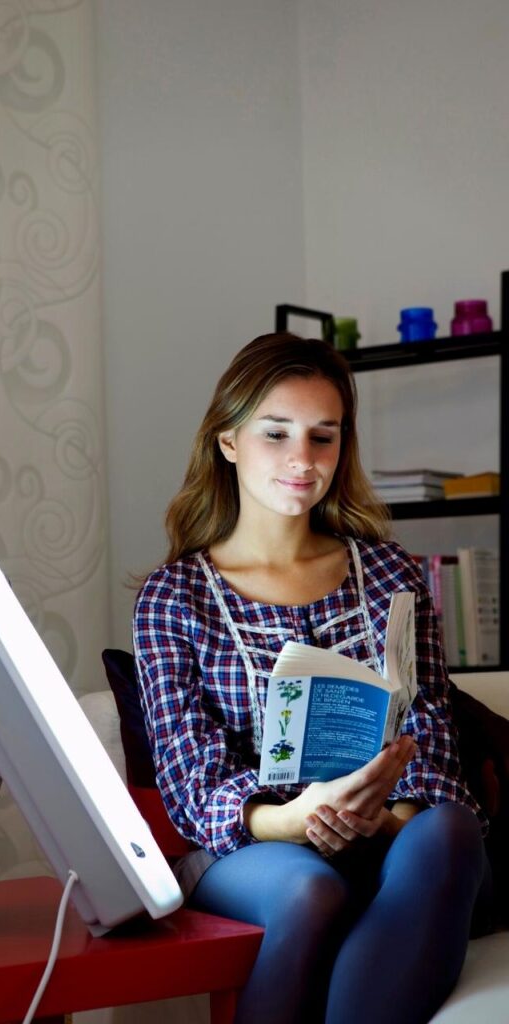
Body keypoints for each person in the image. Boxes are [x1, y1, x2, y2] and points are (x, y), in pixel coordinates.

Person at [133, 332, 492, 1024]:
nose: (303, 459)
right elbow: (189, 782)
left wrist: (385, 818)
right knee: (309, 889)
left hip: (387, 827)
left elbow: (432, 735)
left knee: (449, 830)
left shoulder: (390, 574)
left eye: (323, 438)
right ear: (228, 441)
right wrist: (296, 818)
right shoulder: (175, 597)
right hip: (257, 845)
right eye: (276, 434)